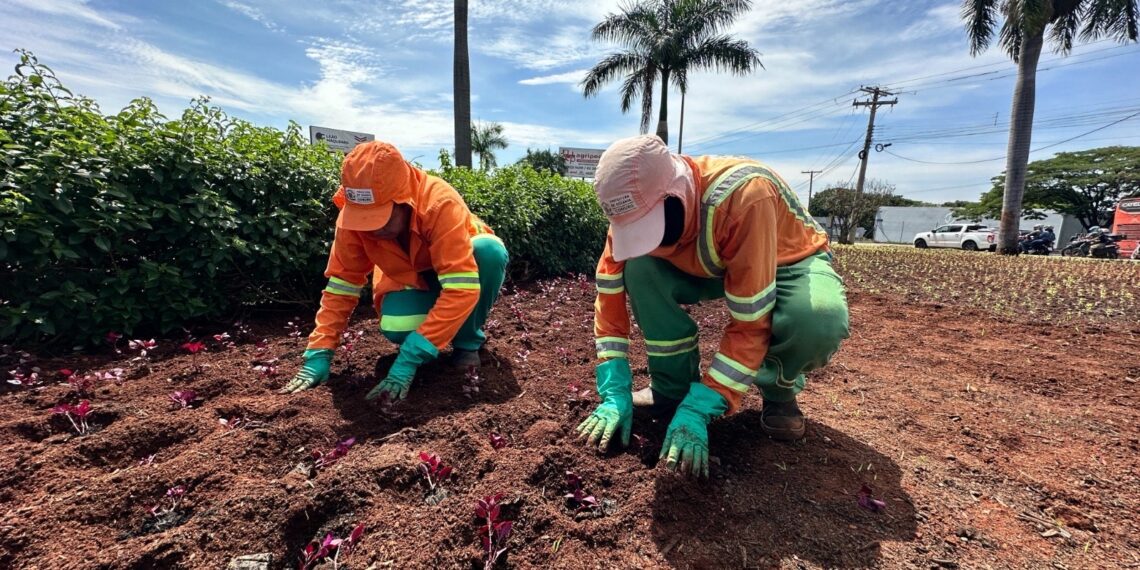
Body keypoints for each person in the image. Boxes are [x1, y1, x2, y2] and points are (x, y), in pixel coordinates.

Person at [576, 135, 850, 477]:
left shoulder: (746, 196)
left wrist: (705, 405)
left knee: (816, 319)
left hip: (786, 258)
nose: (650, 241)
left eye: (652, 229)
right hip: (710, 258)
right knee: (640, 266)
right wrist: (614, 389)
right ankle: (670, 389)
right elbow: (609, 296)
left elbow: (751, 322)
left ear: (675, 192)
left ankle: (779, 391)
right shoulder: (631, 205)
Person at [280, 141, 509, 401]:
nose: (371, 229)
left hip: (465, 267)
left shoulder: (439, 201)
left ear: (404, 201)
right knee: (398, 325)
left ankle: (467, 342)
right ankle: (436, 331)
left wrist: (410, 358)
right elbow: (342, 284)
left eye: (381, 217)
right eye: (363, 219)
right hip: (411, 277)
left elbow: (462, 287)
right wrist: (319, 352)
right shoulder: (353, 218)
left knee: (489, 251)